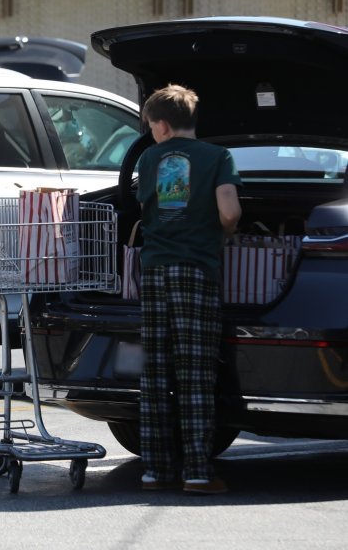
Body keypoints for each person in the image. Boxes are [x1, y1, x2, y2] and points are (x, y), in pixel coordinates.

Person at [135, 84, 241, 494]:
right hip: (196, 270)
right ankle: (197, 472)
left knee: (156, 372)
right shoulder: (218, 157)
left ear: (161, 125)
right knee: (195, 371)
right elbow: (229, 210)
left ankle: (154, 470)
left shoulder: (148, 158)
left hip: (154, 270)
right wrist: (226, 231)